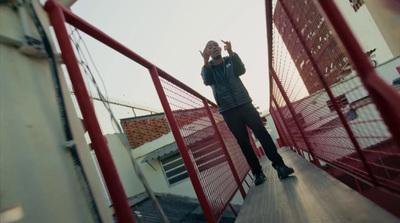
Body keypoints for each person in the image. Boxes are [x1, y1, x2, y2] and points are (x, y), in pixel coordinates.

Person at [199, 40, 294, 186]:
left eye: (216, 46)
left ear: (220, 49)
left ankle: (280, 166)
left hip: (245, 104)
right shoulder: (207, 68)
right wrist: (205, 62)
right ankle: (258, 173)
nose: (214, 49)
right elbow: (207, 81)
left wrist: (231, 52)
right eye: (210, 48)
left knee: (262, 133)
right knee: (244, 142)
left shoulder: (230, 60)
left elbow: (241, 70)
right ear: (207, 52)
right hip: (228, 110)